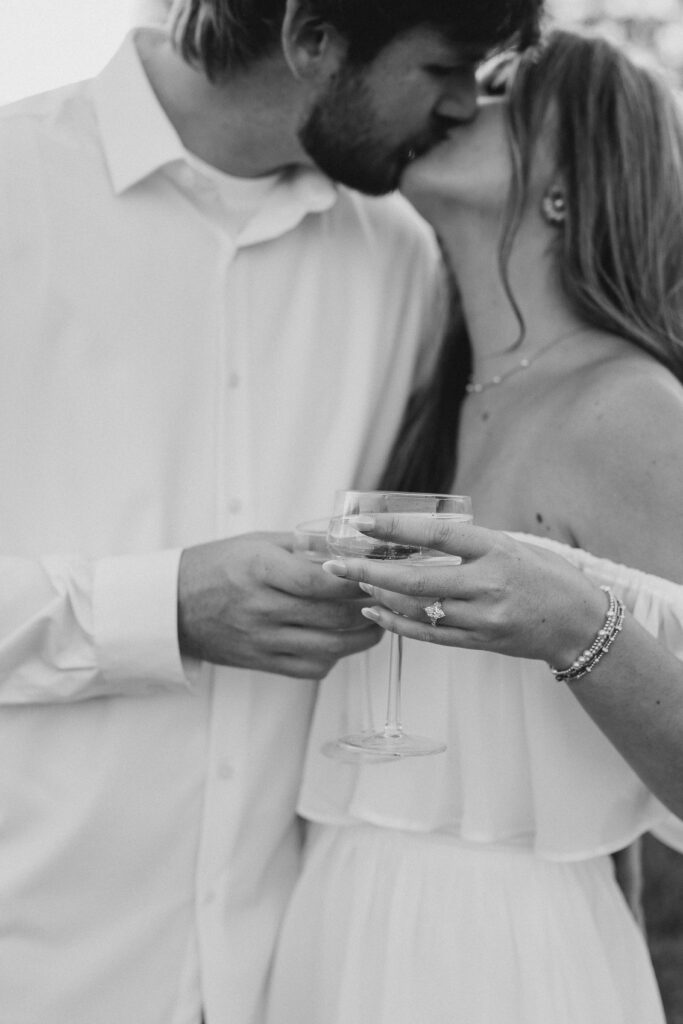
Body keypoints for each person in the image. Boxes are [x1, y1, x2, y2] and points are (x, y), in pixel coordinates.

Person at [0, 2, 543, 1022]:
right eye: (444, 63)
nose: (466, 102)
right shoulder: (12, 192)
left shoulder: (405, 261)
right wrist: (164, 606)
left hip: (282, 973)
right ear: (311, 39)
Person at [266, 29, 683, 1024]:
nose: (456, 103)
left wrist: (569, 622)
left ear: (567, 185)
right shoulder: (421, 388)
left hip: (496, 959)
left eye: (503, 92)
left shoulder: (632, 412)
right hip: (331, 921)